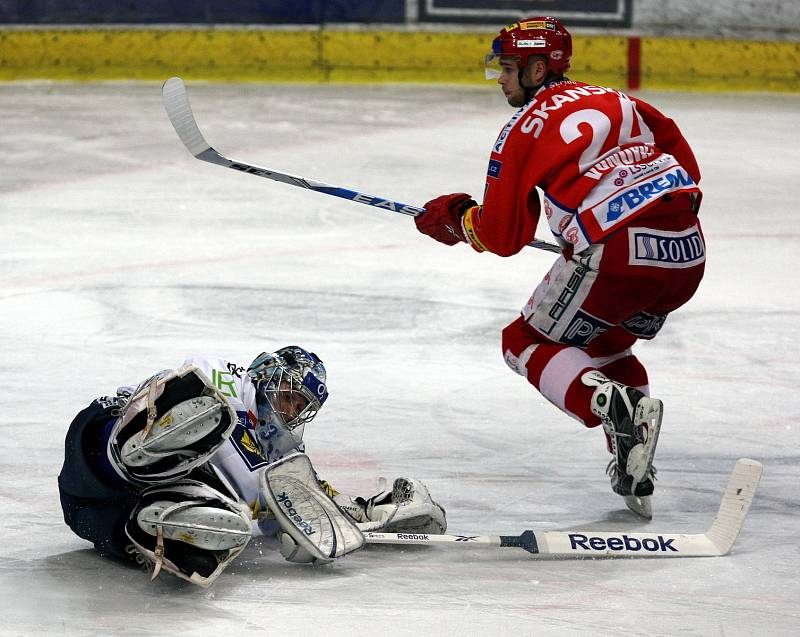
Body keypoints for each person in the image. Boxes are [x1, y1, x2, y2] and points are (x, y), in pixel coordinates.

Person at [414, 17, 705, 518]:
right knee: (605, 342)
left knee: (523, 342)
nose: (501, 80)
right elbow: (688, 171)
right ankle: (632, 460)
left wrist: (457, 219)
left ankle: (603, 407)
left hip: (616, 258)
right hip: (687, 255)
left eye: (507, 68)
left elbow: (504, 236)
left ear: (537, 66)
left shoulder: (523, 128)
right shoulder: (621, 100)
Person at [58, 346, 446, 586]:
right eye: (288, 393)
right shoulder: (223, 378)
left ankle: (150, 527)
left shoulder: (281, 449)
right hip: (96, 456)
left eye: (299, 405)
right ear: (265, 373)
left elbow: (288, 493)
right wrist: (296, 513)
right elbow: (259, 485)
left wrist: (361, 514)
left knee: (221, 527)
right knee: (200, 415)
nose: (289, 408)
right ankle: (129, 458)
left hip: (100, 519)